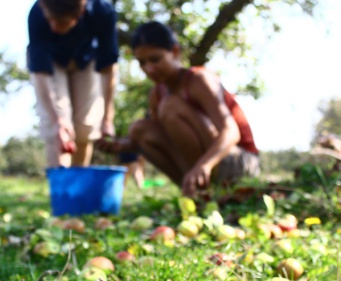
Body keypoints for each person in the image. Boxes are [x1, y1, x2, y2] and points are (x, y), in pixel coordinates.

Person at [97, 21, 261, 197]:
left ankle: (209, 188)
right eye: (142, 62)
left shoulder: (199, 80)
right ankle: (198, 193)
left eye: (155, 59)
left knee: (170, 106)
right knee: (139, 129)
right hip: (204, 167)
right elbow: (159, 141)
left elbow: (231, 132)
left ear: (175, 52)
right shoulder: (157, 94)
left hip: (239, 162)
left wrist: (203, 165)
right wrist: (119, 146)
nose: (148, 69)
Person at [27, 0, 119, 169]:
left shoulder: (102, 12)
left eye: (62, 22)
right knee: (57, 127)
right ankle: (62, 187)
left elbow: (108, 68)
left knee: (86, 125)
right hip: (51, 64)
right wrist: (57, 121)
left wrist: (107, 119)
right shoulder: (38, 12)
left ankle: (78, 183)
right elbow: (40, 72)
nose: (53, 27)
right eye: (50, 20)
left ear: (79, 14)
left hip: (87, 60)